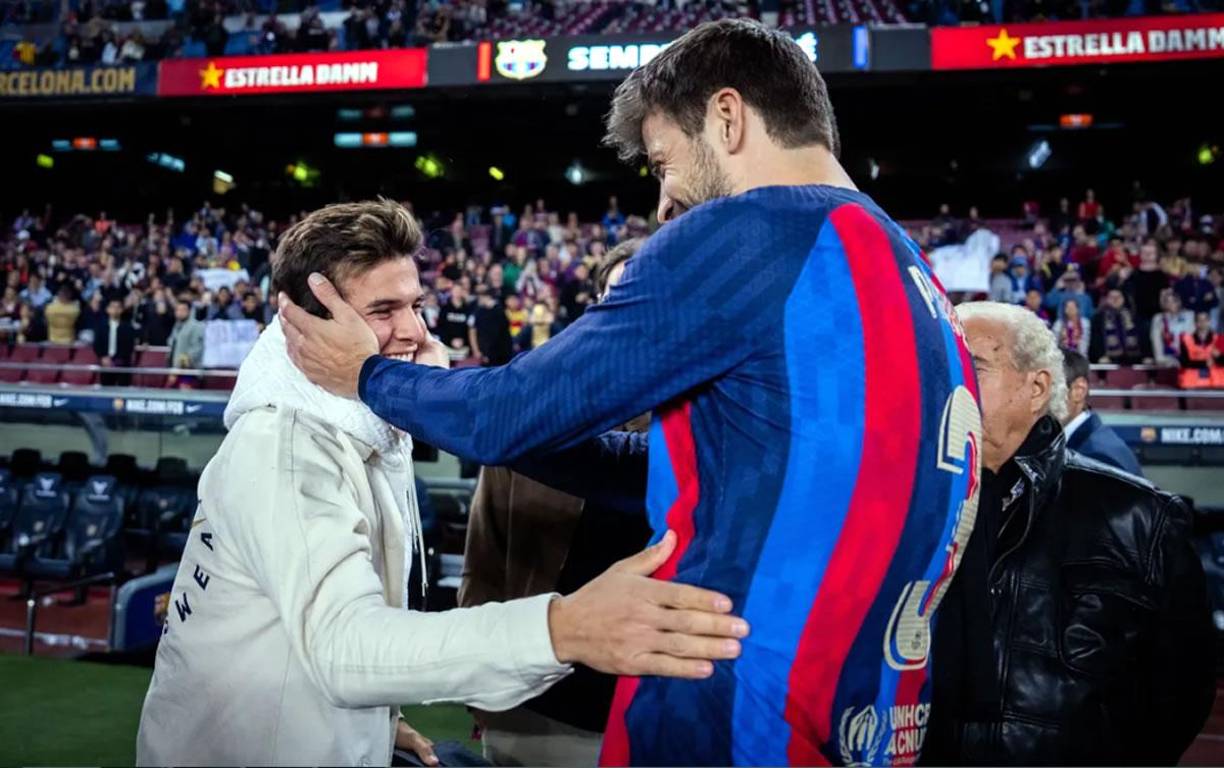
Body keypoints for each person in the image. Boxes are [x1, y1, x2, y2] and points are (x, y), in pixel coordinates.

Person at [279, 20, 980, 767]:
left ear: (728, 117)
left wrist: (369, 374)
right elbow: (685, 472)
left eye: (661, 161)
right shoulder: (906, 265)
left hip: (735, 713)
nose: (663, 203)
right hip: (865, 718)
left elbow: (507, 413)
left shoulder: (749, 231)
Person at [136, 200, 747, 767]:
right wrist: (564, 628)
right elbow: (344, 647)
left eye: (415, 306)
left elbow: (311, 638)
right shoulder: (285, 446)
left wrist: (375, 719)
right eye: (382, 311)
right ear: (306, 324)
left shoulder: (362, 425)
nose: (413, 332)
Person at [923, 301, 1213, 765]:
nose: (947, 383)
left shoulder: (1140, 516)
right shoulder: (906, 504)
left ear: (1037, 387)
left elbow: (1179, 692)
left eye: (972, 365)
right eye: (940, 365)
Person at [461, 239, 653, 767]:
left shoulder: (713, 426)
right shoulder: (532, 413)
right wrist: (482, 684)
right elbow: (484, 562)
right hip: (534, 712)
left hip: (657, 716)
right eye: (619, 299)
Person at [1060, 348, 1143, 476]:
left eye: (1047, 387)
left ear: (1078, 390)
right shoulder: (1083, 446)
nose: (1035, 397)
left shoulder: (1097, 459)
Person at [1089, 288, 1147, 364]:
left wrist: (1146, 356)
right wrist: (1100, 356)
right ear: (1107, 299)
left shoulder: (1134, 317)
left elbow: (1143, 337)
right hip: (1108, 360)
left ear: (1123, 299)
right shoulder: (1098, 318)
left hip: (1134, 360)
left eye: (1118, 297)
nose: (1115, 299)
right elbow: (1095, 340)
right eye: (1112, 297)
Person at [92, 298, 136, 385]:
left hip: (122, 365)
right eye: (112, 307)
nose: (115, 310)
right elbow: (97, 344)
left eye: (118, 307)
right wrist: (103, 357)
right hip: (105, 365)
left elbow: (129, 347)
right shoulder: (101, 327)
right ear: (108, 309)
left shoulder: (128, 328)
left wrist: (117, 360)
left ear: (122, 310)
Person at [166, 295, 205, 388]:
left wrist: (180, 367)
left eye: (183, 310)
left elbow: (197, 349)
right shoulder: (177, 326)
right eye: (177, 310)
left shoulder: (197, 326)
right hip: (174, 367)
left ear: (189, 311)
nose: (179, 312)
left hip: (189, 369)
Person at [1178, 311, 1224, 389]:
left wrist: (1219, 357)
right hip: (1191, 383)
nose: (1202, 323)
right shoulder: (1186, 340)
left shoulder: (1220, 339)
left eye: (1205, 320)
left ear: (1209, 322)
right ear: (1195, 323)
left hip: (1217, 383)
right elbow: (1184, 362)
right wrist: (1203, 363)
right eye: (1199, 320)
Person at [1150, 289, 1195, 368]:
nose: (1171, 304)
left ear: (1179, 302)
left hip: (1188, 357)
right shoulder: (1158, 319)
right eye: (1167, 301)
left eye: (1174, 301)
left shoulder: (1189, 315)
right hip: (1168, 360)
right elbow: (1157, 347)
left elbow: (1193, 339)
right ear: (1164, 304)